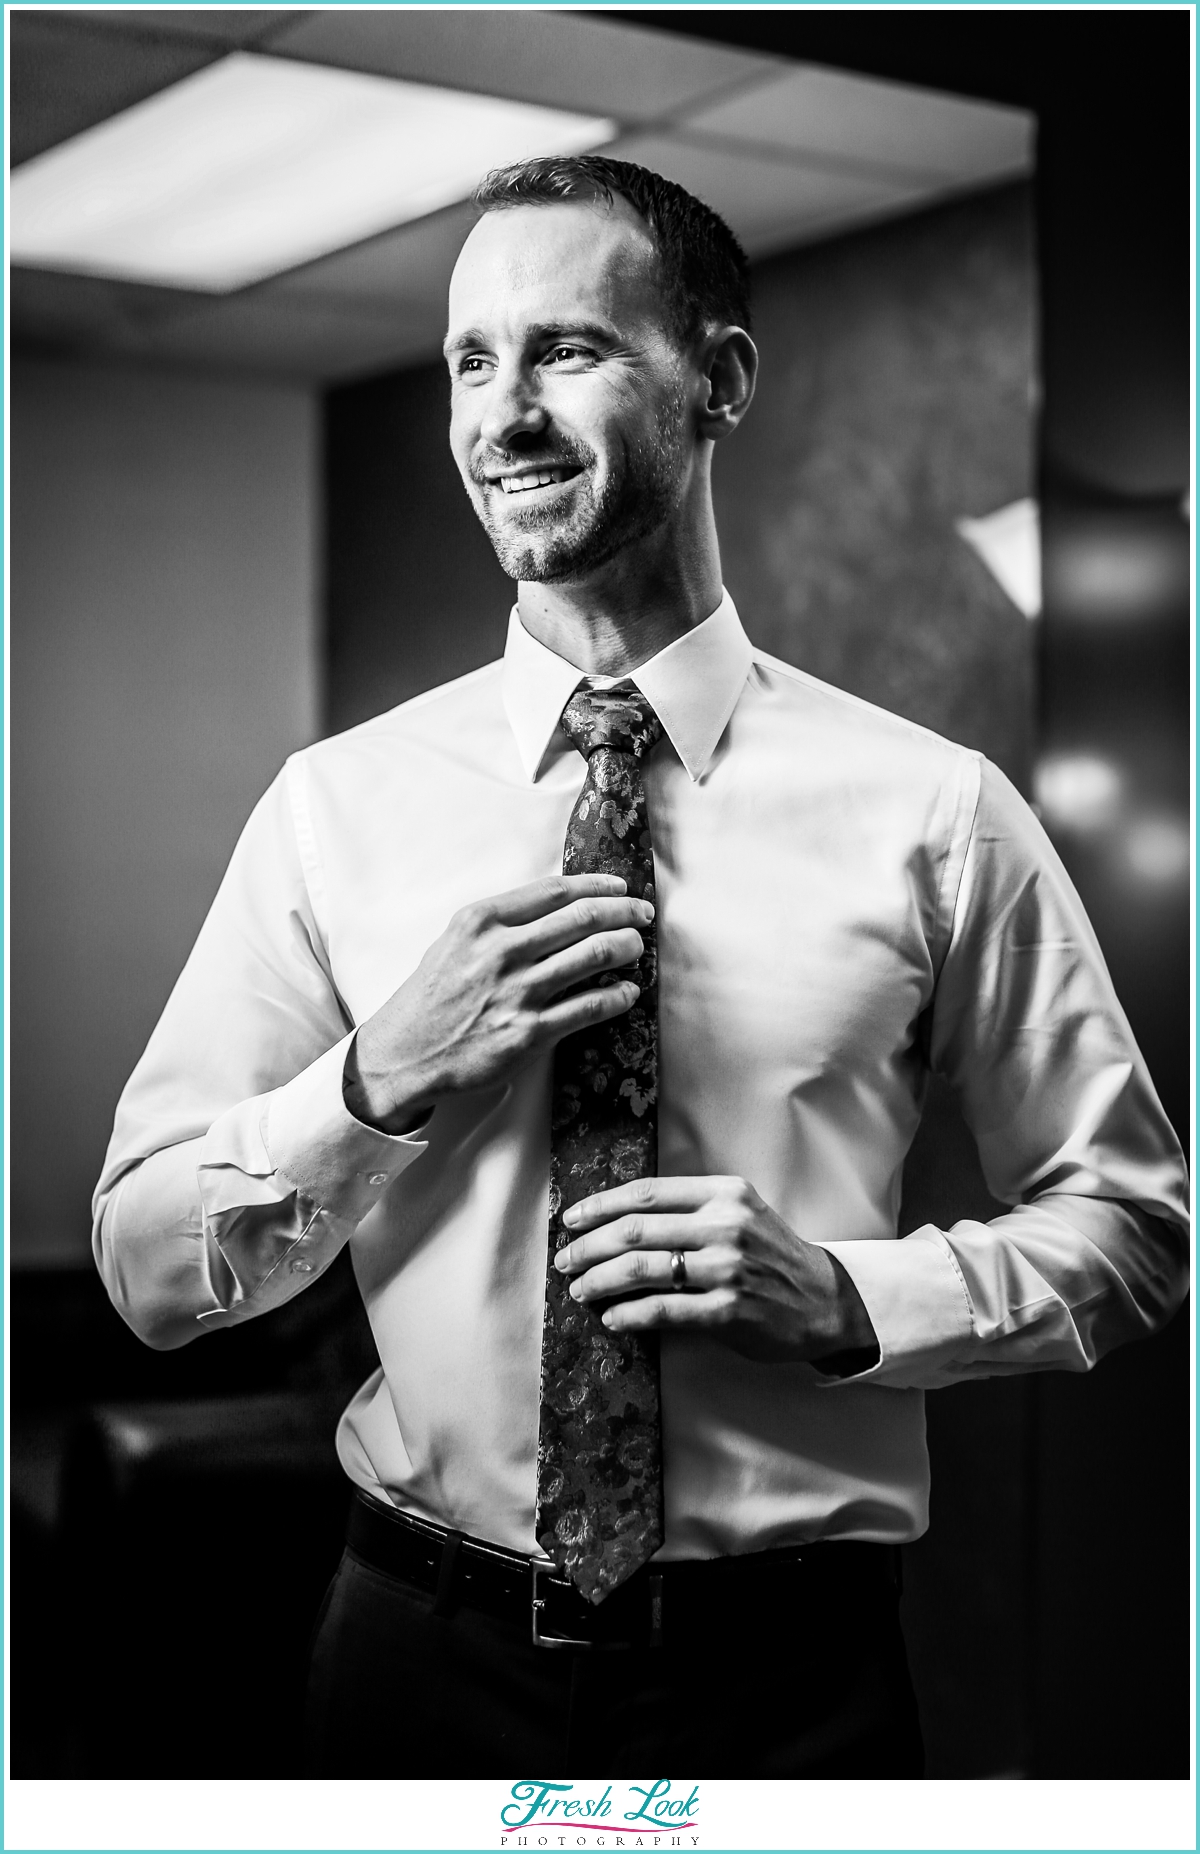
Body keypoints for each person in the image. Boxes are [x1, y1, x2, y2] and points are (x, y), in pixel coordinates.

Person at [93, 156, 1189, 1777]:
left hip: (789, 1685)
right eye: (471, 360)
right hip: (413, 1656)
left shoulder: (937, 811)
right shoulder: (334, 806)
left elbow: (1136, 1226)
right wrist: (373, 1081)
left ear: (719, 381)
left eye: (566, 351)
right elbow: (144, 1262)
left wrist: (845, 1299)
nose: (501, 415)